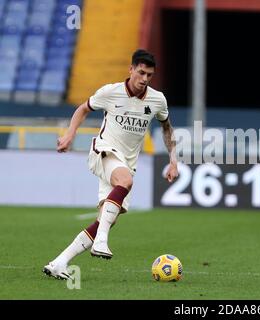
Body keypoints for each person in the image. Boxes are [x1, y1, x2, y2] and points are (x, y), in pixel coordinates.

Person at [43, 49, 178, 280]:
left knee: (107, 218)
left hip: (126, 161)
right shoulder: (111, 92)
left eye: (149, 75)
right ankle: (102, 242)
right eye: (141, 73)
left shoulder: (157, 100)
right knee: (125, 181)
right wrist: (69, 135)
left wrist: (173, 161)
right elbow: (83, 109)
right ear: (131, 69)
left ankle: (59, 262)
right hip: (104, 150)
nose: (144, 79)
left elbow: (167, 127)